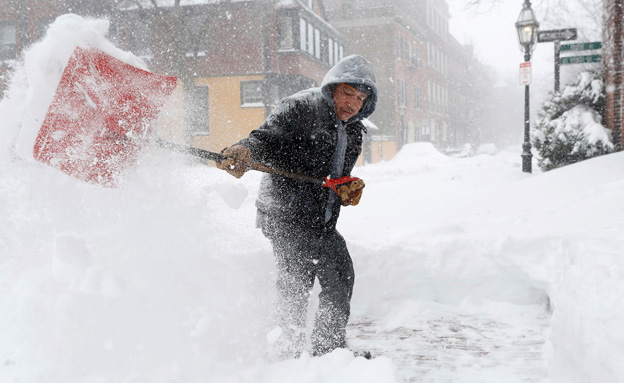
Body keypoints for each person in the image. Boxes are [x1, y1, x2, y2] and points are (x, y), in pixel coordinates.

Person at [217, 55, 377, 359]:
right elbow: (263, 140)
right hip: (285, 214)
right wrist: (244, 151)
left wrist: (345, 187)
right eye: (347, 93)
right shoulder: (300, 108)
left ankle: (328, 351)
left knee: (340, 276)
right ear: (332, 87)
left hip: (321, 219)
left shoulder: (354, 129)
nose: (353, 104)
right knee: (296, 282)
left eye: (360, 98)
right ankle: (286, 353)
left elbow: (335, 175)